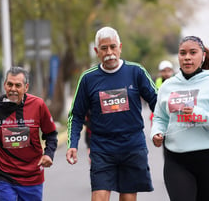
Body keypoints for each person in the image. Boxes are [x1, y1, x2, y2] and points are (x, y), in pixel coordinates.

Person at [66, 26, 157, 201]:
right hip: (102, 147)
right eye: (104, 48)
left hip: (132, 146)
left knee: (128, 198)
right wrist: (73, 144)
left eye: (113, 47)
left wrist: (161, 129)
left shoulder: (136, 72)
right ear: (96, 51)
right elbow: (76, 115)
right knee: (99, 197)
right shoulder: (88, 78)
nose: (109, 52)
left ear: (120, 47)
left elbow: (156, 103)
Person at [151, 36, 209, 201]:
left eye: (192, 52)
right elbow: (160, 118)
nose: (187, 57)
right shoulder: (168, 86)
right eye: (182, 53)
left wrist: (201, 116)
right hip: (177, 161)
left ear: (202, 56)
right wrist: (157, 132)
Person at [0, 66, 58, 201]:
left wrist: (48, 154)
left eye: (17, 85)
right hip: (3, 174)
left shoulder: (38, 105)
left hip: (32, 175)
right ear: (4, 85)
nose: (13, 89)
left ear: (26, 87)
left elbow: (51, 134)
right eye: (10, 84)